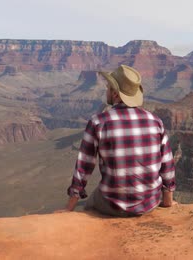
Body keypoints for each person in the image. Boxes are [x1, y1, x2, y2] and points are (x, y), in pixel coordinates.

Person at [58, 65, 177, 216]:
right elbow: (167, 164)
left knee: (89, 205)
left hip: (112, 205)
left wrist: (69, 208)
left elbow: (84, 166)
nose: (106, 90)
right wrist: (167, 201)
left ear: (115, 93)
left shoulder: (98, 122)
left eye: (108, 87)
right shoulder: (155, 121)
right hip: (149, 203)